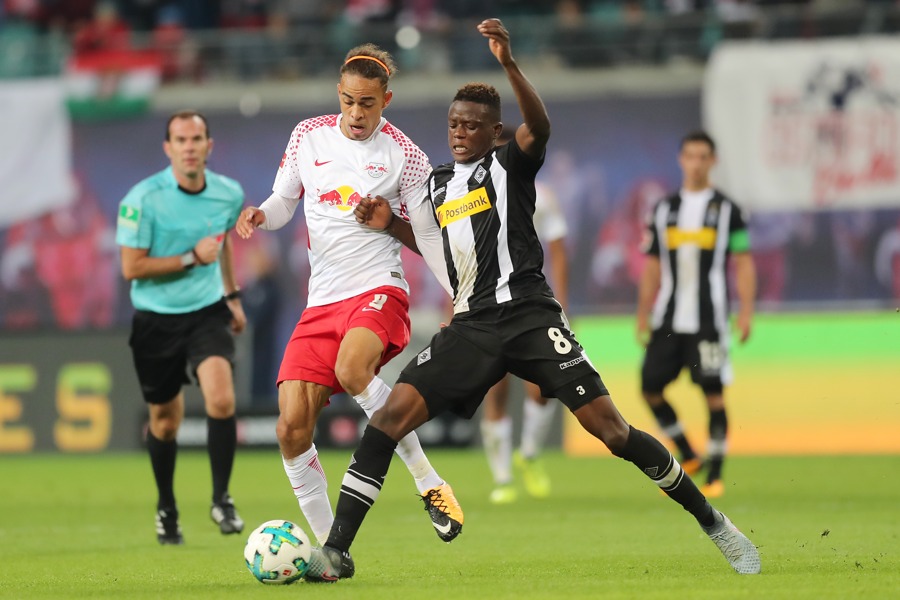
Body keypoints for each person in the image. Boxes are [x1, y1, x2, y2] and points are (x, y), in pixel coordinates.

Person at [314, 18, 761, 580]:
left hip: (530, 317)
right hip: (472, 325)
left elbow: (540, 126)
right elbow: (440, 249)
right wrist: (391, 226)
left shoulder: (511, 166)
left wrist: (508, 63)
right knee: (386, 420)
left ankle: (714, 522)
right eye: (453, 123)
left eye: (471, 125)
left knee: (613, 432)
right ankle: (337, 550)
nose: (458, 132)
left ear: (493, 131)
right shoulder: (435, 184)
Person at [234, 42, 461, 574]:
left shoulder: (406, 156)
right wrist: (262, 216)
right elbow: (284, 199)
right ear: (338, 94)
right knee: (291, 428)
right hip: (322, 301)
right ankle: (329, 553)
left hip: (379, 288)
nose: (356, 114)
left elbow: (429, 237)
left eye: (367, 104)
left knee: (352, 370)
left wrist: (394, 227)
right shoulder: (307, 136)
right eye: (348, 101)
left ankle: (429, 483)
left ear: (386, 99)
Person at [116, 110, 247, 545]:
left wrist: (230, 296)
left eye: (196, 139)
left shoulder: (229, 194)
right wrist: (191, 258)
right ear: (167, 148)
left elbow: (223, 243)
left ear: (209, 146)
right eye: (180, 139)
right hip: (155, 320)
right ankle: (166, 507)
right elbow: (132, 268)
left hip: (206, 311)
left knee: (222, 398)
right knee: (165, 422)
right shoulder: (142, 199)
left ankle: (222, 498)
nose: (189, 146)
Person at [636, 131, 757, 499]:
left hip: (710, 319)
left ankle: (715, 474)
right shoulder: (662, 209)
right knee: (650, 388)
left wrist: (746, 311)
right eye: (690, 156)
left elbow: (744, 262)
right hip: (669, 318)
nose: (696, 163)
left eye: (703, 157)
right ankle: (689, 454)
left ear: (712, 161)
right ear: (680, 160)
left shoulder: (728, 210)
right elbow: (653, 266)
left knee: (713, 395)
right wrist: (643, 312)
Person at [480, 129, 569, 504]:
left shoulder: (540, 195)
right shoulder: (473, 193)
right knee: (495, 387)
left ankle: (529, 454)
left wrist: (561, 304)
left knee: (544, 385)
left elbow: (559, 250)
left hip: (531, 302)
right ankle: (502, 477)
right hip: (486, 303)